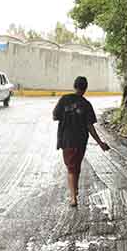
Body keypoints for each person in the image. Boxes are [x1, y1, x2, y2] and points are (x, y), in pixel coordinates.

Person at [52, 75, 109, 207]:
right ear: (85, 88)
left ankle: (73, 198)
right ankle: (75, 190)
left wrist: (67, 115)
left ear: (74, 86)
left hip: (67, 140)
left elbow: (55, 116)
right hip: (81, 141)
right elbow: (90, 126)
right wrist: (100, 143)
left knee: (71, 168)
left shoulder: (64, 100)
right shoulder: (87, 104)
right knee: (75, 166)